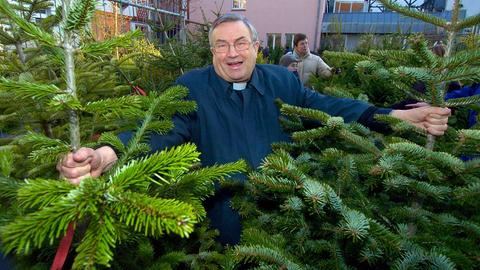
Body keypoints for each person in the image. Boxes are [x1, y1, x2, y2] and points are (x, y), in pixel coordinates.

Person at [58, 14, 451, 246]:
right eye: (221, 46)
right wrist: (108, 153)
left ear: (256, 46)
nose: (232, 53)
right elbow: (159, 131)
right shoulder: (191, 87)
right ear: (211, 51)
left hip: (285, 217)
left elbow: (329, 108)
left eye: (240, 43)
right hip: (222, 220)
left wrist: (394, 116)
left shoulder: (282, 81)